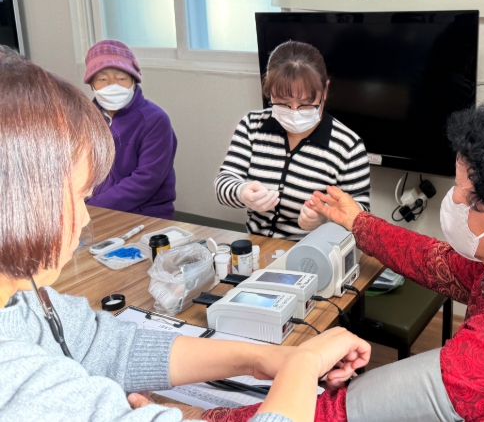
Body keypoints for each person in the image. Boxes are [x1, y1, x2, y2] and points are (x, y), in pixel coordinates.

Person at [0, 53, 370, 422]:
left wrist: (262, 357)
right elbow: (225, 182)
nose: (85, 218)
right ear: (18, 198)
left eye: (304, 103)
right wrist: (303, 364)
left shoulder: (26, 303)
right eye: (80, 196)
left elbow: (108, 346)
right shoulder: (21, 385)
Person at [206, 103, 484, 422]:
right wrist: (357, 222)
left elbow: (339, 413)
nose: (454, 200)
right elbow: (434, 262)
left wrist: (197, 416)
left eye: (460, 188)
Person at [215, 41, 370, 240]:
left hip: (313, 250)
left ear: (324, 92)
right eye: (283, 103)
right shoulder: (252, 126)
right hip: (256, 247)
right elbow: (224, 182)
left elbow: (361, 218)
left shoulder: (348, 146)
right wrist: (241, 191)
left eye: (305, 104)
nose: (294, 112)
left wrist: (324, 220)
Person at [84, 39, 178, 219]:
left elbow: (146, 180)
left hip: (145, 214)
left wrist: (92, 208)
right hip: (92, 211)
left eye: (121, 79)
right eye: (102, 79)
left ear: (134, 81)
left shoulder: (155, 120)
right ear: (92, 85)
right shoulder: (84, 119)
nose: (112, 85)